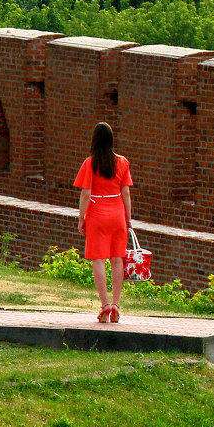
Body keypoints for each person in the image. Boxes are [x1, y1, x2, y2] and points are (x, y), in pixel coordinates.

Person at [73, 122, 133, 323]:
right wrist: (128, 220)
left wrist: (81, 217)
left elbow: (86, 193)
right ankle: (116, 305)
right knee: (117, 258)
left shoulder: (90, 163)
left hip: (97, 211)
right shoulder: (122, 162)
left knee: (98, 259)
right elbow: (126, 193)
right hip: (117, 212)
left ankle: (105, 305)